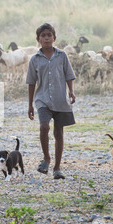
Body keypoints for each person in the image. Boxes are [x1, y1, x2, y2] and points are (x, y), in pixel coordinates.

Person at [26, 23, 76, 180]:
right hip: (42, 99)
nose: (46, 38)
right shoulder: (34, 59)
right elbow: (31, 82)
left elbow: (69, 75)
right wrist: (30, 105)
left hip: (61, 99)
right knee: (44, 126)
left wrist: (71, 91)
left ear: (54, 38)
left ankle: (57, 168)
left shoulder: (62, 56)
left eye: (49, 35)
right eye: (43, 35)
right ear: (38, 39)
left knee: (59, 133)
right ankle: (46, 158)